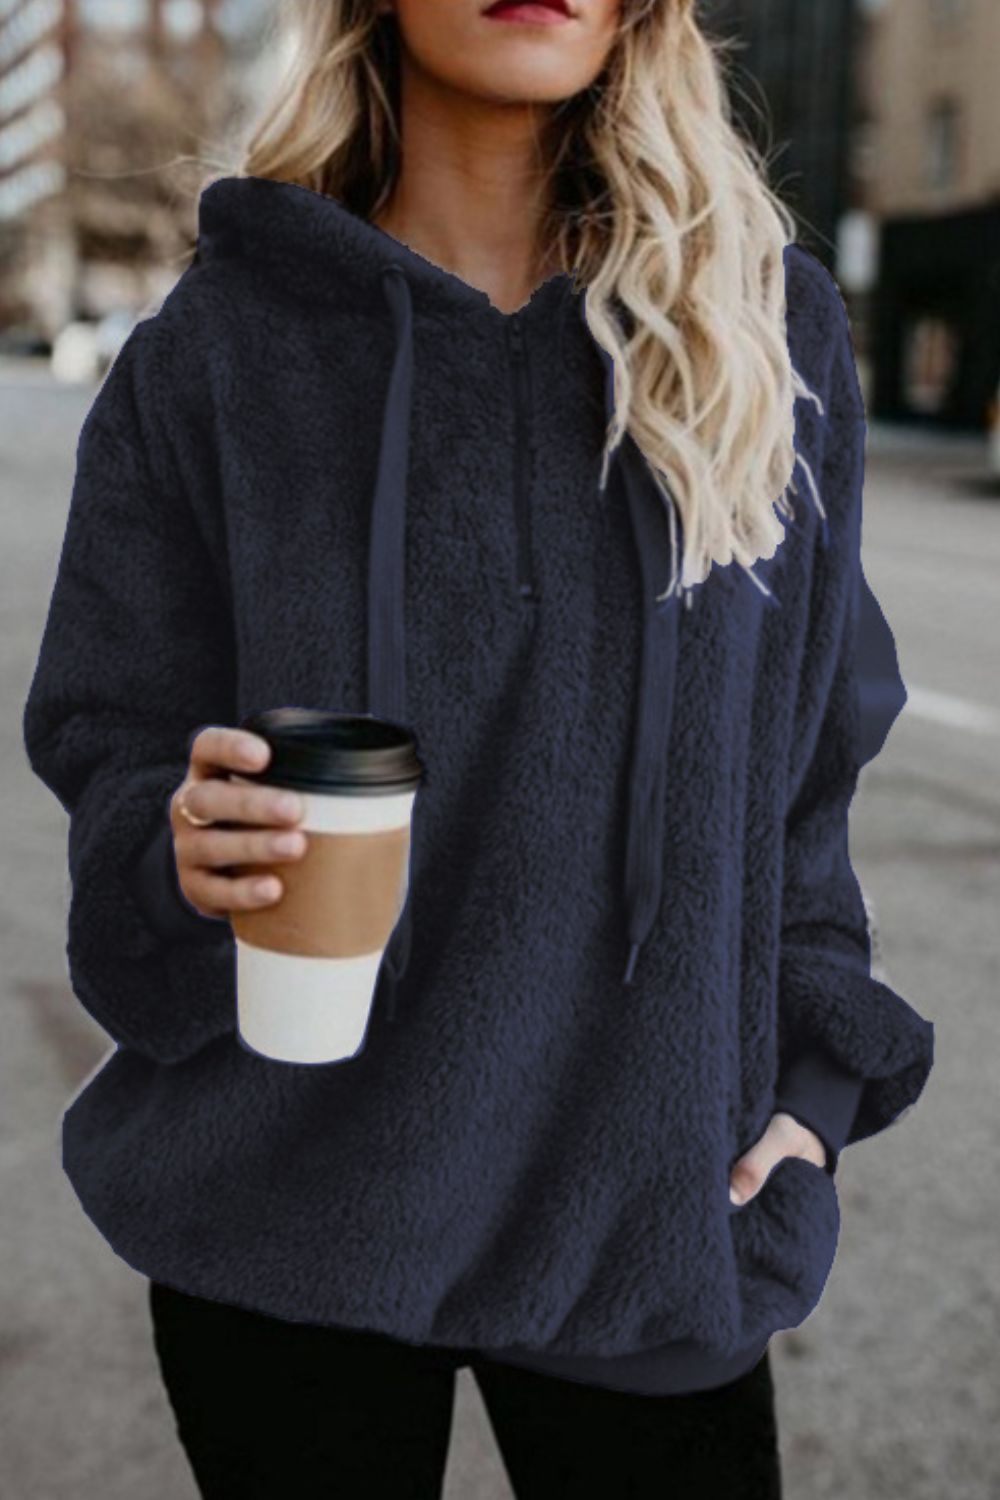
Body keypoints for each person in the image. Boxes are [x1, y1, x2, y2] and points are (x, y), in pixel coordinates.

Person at [22, 0, 935, 1496]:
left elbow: (806, 773)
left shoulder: (764, 330)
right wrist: (172, 847)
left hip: (646, 1210)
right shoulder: (217, 355)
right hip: (287, 1209)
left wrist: (814, 1093)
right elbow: (112, 733)